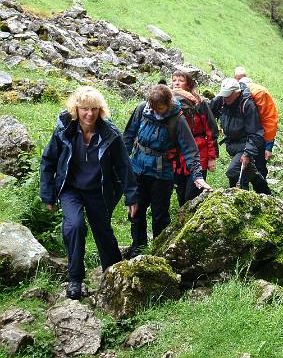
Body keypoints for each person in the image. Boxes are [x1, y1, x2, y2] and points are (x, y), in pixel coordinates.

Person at [40, 86, 138, 300]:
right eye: (85, 108)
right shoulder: (64, 130)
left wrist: (132, 195)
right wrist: (47, 194)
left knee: (103, 231)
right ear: (76, 109)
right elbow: (48, 160)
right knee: (74, 226)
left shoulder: (109, 133)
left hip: (99, 190)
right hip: (71, 189)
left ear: (100, 110)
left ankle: (113, 274)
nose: (89, 114)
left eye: (94, 108)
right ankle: (75, 279)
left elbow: (124, 165)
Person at [123, 84, 210, 258]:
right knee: (136, 210)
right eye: (154, 107)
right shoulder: (142, 110)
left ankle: (158, 252)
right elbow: (128, 136)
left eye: (160, 108)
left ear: (169, 103)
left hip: (161, 175)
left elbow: (190, 150)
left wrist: (197, 176)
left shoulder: (177, 120)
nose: (157, 111)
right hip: (138, 170)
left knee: (160, 215)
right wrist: (123, 165)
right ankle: (138, 248)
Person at [209, 78, 271, 195]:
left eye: (228, 95)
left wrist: (247, 153)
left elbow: (255, 133)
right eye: (223, 95)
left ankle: (236, 197)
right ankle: (266, 194)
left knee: (233, 172)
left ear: (237, 93)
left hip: (245, 144)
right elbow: (207, 110)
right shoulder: (222, 100)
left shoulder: (247, 105)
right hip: (232, 144)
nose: (225, 98)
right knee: (250, 172)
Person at [171, 70, 219, 206]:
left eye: (180, 80)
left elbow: (210, 130)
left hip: (199, 152)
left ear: (188, 84)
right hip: (177, 155)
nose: (177, 83)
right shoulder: (170, 102)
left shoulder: (199, 103)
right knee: (180, 192)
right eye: (174, 80)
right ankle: (183, 220)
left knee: (192, 194)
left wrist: (211, 157)